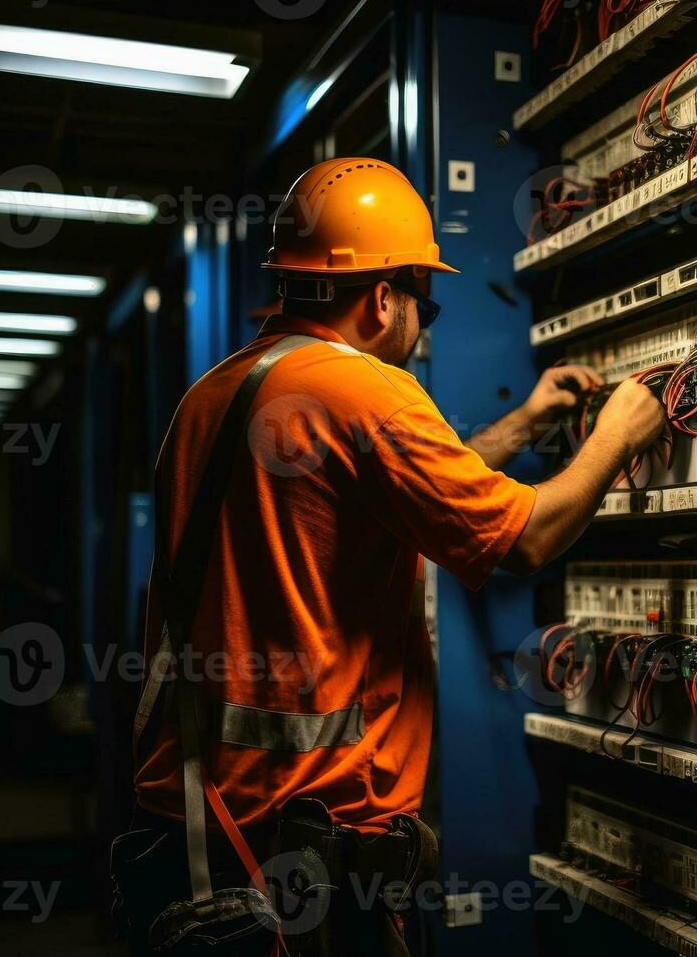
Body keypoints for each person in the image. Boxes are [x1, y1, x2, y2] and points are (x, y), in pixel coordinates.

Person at [114, 158, 665, 956]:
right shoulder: (367, 392)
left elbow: (376, 496)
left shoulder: (213, 395)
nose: (423, 322)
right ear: (383, 297)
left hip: (193, 828)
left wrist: (523, 427)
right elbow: (528, 538)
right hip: (302, 854)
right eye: (424, 301)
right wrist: (619, 432)